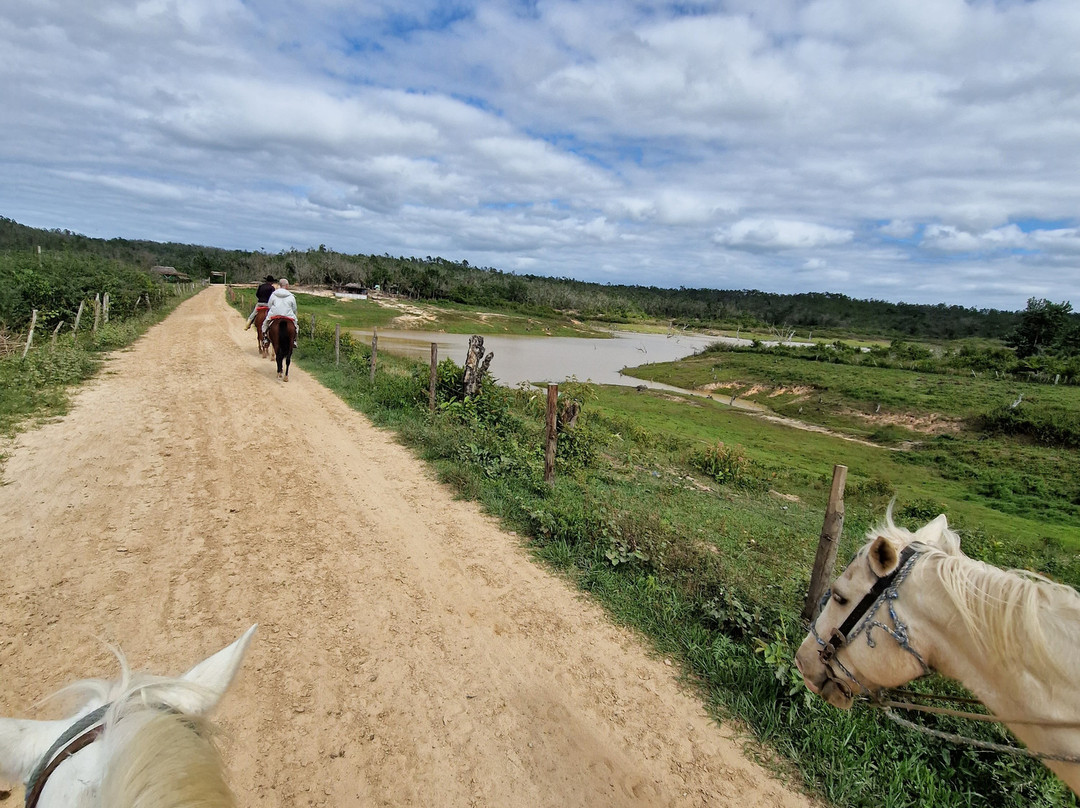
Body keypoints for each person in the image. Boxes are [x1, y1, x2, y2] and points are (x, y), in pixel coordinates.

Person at [262, 278, 299, 347]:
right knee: (296, 326)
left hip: (275, 314)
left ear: (280, 285)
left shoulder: (274, 294)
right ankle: (294, 340)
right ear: (287, 285)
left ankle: (266, 339)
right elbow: (294, 308)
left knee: (265, 324)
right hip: (288, 314)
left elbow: (269, 305)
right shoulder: (291, 296)